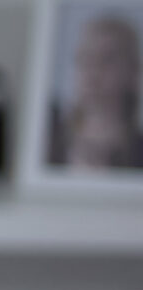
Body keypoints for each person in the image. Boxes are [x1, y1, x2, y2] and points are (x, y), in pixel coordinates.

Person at [52, 10, 143, 170]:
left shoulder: (138, 152)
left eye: (107, 60)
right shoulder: (50, 143)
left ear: (133, 70)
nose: (92, 72)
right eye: (85, 58)